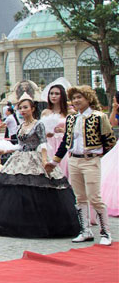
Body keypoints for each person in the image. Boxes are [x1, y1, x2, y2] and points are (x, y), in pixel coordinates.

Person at [0, 94, 81, 238]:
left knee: (37, 190)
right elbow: (20, 145)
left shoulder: (38, 124)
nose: (22, 110)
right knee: (15, 189)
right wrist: (7, 150)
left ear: (32, 108)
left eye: (25, 108)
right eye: (20, 108)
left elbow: (42, 143)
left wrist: (44, 162)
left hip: (35, 158)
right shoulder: (21, 125)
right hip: (19, 158)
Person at [46, 85, 116, 245]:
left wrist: (97, 155)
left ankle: (105, 233)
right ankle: (85, 230)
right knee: (79, 197)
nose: (76, 101)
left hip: (90, 160)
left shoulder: (99, 117)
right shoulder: (71, 119)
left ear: (88, 98)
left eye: (80, 97)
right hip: (74, 160)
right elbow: (65, 142)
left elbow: (110, 140)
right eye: (74, 98)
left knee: (94, 197)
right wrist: (55, 161)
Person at [41, 80, 70, 179]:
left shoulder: (69, 112)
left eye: (57, 94)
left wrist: (63, 131)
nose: (53, 96)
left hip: (63, 143)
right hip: (49, 144)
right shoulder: (45, 112)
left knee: (64, 169)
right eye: (51, 93)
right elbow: (40, 131)